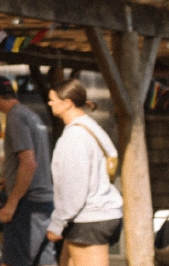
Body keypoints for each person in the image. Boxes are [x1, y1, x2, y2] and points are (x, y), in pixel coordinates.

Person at [45, 78, 123, 266]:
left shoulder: (75, 137)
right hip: (94, 214)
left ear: (67, 103)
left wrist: (57, 224)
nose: (49, 103)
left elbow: (74, 187)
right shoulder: (91, 127)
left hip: (89, 218)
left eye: (53, 100)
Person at [0, 76, 55, 266]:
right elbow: (35, 161)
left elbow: (29, 163)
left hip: (28, 205)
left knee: (13, 262)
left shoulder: (15, 117)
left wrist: (11, 204)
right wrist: (10, 179)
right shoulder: (31, 115)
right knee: (44, 262)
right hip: (45, 203)